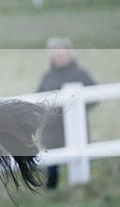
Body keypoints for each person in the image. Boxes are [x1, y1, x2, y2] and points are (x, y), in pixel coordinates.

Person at [36, 37, 97, 189]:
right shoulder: (47, 77)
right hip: (52, 131)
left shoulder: (80, 73)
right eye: (55, 55)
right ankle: (51, 194)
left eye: (61, 55)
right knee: (52, 167)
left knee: (78, 163)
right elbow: (39, 98)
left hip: (76, 128)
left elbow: (95, 95)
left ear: (68, 54)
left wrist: (78, 111)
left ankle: (79, 190)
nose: (58, 58)